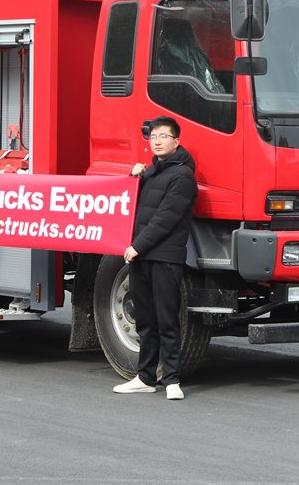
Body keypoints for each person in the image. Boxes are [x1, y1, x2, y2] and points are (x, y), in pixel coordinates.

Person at [113, 116, 198, 400]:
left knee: (167, 320)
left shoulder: (183, 176)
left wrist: (136, 246)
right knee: (145, 320)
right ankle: (145, 377)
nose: (157, 141)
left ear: (177, 141)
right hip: (142, 257)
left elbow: (165, 218)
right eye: (153, 137)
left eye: (163, 136)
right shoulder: (149, 171)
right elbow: (132, 207)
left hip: (165, 258)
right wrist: (134, 179)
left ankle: (172, 380)